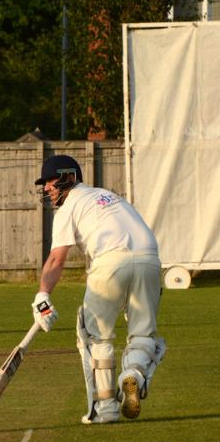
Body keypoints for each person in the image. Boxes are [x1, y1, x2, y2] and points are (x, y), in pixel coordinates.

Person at [31, 154, 166, 425]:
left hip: (110, 261)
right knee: (143, 333)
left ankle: (105, 409)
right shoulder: (108, 196)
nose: (47, 188)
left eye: (50, 181)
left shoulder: (68, 208)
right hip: (150, 259)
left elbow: (57, 259)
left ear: (70, 177)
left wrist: (43, 296)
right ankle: (134, 376)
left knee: (95, 337)